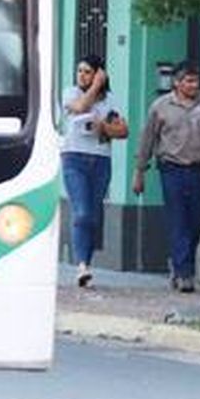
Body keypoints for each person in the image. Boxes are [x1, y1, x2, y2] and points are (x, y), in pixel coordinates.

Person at [133, 59, 200, 293]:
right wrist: (139, 172)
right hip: (171, 169)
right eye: (188, 81)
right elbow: (147, 140)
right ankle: (184, 273)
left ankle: (178, 261)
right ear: (177, 83)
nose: (193, 85)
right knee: (178, 221)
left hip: (197, 169)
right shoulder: (161, 106)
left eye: (196, 81)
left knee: (197, 221)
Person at [60, 54, 125, 288]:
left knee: (94, 214)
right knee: (82, 212)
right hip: (74, 158)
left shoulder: (110, 100)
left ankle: (86, 263)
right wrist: (96, 85)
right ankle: (80, 265)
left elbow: (123, 130)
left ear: (99, 72)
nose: (82, 75)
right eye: (80, 71)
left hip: (100, 160)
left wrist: (104, 126)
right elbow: (79, 108)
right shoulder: (71, 93)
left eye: (88, 71)